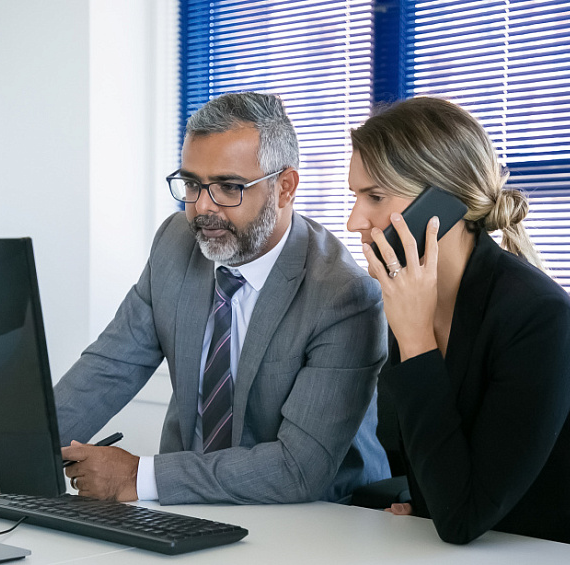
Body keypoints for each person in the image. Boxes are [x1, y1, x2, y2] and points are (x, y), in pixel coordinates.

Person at [52, 91, 389, 505]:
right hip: (186, 507)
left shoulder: (343, 295)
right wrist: (7, 454)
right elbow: (109, 367)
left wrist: (137, 477)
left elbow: (299, 470)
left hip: (315, 519)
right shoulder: (175, 243)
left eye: (229, 187)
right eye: (192, 184)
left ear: (285, 187)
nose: (202, 209)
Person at [345, 96, 570, 547]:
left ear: (442, 204)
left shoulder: (540, 316)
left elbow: (462, 519)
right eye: (355, 197)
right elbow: (438, 477)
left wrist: (415, 341)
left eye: (374, 197)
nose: (355, 221)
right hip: (489, 541)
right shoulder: (413, 295)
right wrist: (433, 501)